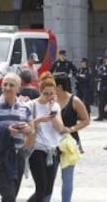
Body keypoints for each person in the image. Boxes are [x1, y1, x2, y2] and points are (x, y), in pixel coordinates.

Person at [0, 73, 33, 202]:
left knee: (12, 194)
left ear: (18, 88)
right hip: (1, 156)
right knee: (9, 196)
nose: (8, 88)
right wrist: (5, 129)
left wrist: (27, 129)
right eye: (5, 85)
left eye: (11, 85)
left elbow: (31, 130)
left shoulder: (25, 107)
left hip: (18, 155)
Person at [27, 72, 66, 202]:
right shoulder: (32, 105)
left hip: (53, 149)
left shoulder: (55, 106)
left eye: (51, 93)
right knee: (41, 186)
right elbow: (26, 125)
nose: (49, 96)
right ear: (40, 91)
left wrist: (51, 112)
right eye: (46, 93)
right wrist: (39, 120)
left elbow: (60, 128)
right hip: (37, 148)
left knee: (48, 188)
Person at [54, 73, 90, 202]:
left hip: (69, 143)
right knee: (48, 178)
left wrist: (72, 129)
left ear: (59, 86)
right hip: (52, 142)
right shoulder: (51, 100)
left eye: (53, 85)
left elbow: (86, 120)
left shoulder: (74, 101)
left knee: (67, 177)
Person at [94, 54, 107, 121]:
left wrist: (105, 74)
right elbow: (99, 75)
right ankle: (101, 116)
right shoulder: (101, 67)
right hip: (102, 87)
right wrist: (106, 75)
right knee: (101, 102)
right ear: (105, 60)